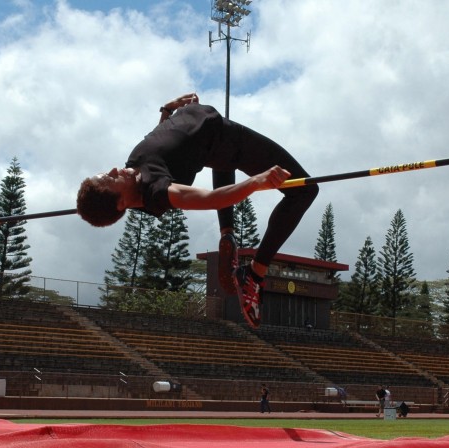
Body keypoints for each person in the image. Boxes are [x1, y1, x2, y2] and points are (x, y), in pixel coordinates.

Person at [76, 93, 319, 328]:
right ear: (121, 203)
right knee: (306, 190)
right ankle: (255, 273)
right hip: (227, 141)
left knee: (220, 157)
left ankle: (228, 231)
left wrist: (168, 112)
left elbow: (163, 143)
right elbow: (211, 198)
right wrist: (257, 181)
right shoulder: (157, 191)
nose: (113, 170)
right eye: (109, 178)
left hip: (214, 144)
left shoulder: (133, 169)